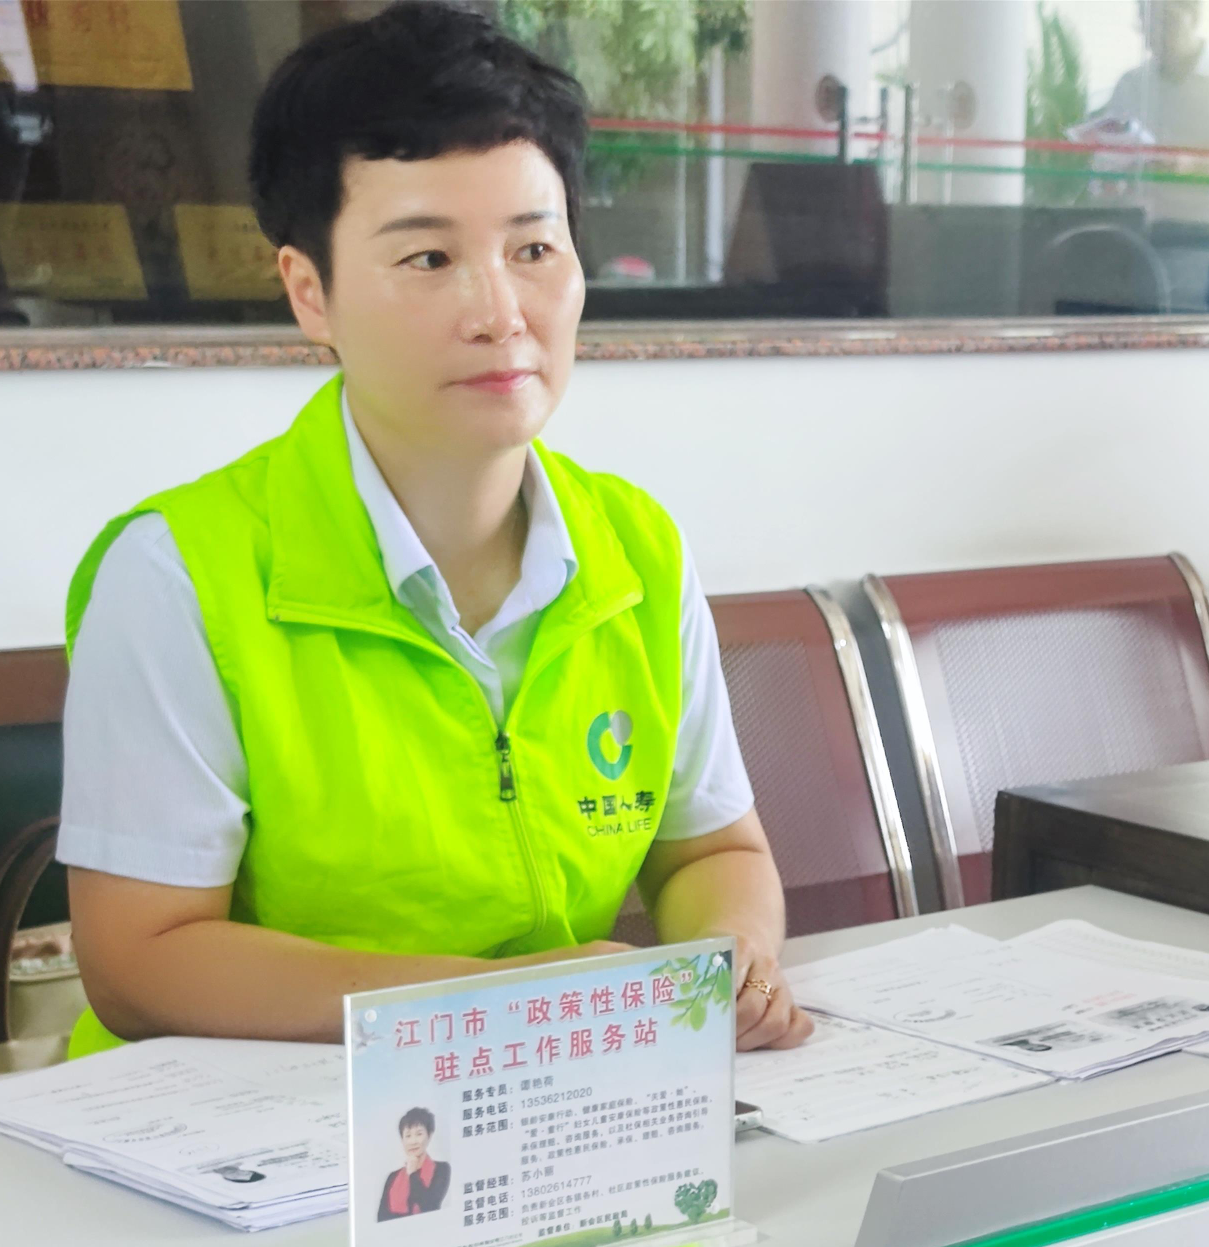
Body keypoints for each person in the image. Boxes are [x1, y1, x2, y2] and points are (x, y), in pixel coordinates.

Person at [59, 2, 812, 1057]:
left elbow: (709, 852)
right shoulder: (179, 573)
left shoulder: (635, 547)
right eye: (427, 259)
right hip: (241, 1132)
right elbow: (141, 960)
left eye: (534, 248)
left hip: (538, 1105)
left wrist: (731, 963)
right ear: (310, 293)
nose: (500, 312)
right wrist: (493, 1003)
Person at [1078, 0, 1209, 243]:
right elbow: (1107, 166)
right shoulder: (1131, 85)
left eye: (1166, 21)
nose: (1155, 35)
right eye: (1147, 25)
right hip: (1140, 234)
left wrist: (1193, 165)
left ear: (1195, 17)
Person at [378, 1107, 448, 1220]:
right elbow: (382, 1218)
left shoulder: (442, 1169)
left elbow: (430, 1207)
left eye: (419, 1134)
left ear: (429, 1136)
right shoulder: (392, 1177)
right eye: (408, 1136)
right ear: (402, 1140)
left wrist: (412, 1173)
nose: (413, 1141)